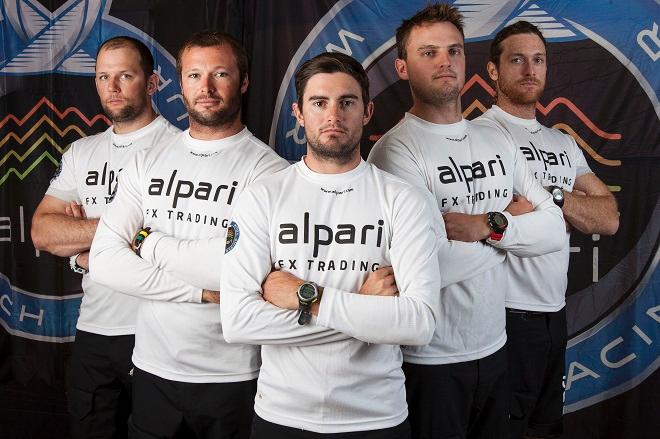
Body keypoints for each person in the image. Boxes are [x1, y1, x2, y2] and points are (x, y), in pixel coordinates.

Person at [219, 52, 443, 439]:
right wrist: (367, 313)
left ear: (367, 111)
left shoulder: (403, 199)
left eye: (347, 102)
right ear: (299, 113)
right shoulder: (263, 197)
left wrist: (308, 296)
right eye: (319, 103)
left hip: (377, 417)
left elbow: (420, 323)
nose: (333, 115)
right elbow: (238, 322)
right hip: (282, 416)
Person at [367, 4, 566, 439]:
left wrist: (488, 226)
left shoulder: (496, 137)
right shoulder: (394, 152)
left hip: (498, 349)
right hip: (431, 360)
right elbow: (429, 267)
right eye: (429, 52)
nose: (445, 62)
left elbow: (554, 231)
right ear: (402, 66)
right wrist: (511, 230)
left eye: (454, 51)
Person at [89, 31, 289, 439]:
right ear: (180, 83)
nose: (207, 88)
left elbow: (242, 270)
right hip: (151, 369)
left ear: (244, 81)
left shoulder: (269, 171)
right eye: (195, 75)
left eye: (220, 74)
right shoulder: (148, 161)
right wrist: (199, 291)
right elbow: (105, 262)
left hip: (233, 375)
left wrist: (147, 242)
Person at [31, 36, 179, 439]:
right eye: (103, 77)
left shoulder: (181, 150)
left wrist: (83, 247)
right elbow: (43, 232)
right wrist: (127, 230)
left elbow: (182, 243)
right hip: (94, 332)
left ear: (151, 83)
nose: (112, 87)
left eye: (125, 76)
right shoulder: (83, 152)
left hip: (158, 331)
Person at [477, 20, 619, 439]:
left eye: (538, 60)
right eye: (516, 59)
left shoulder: (562, 143)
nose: (529, 69)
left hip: (553, 313)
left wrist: (551, 198)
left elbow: (608, 217)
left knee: (545, 428)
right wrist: (566, 205)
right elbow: (494, 217)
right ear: (493, 71)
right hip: (501, 312)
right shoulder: (478, 136)